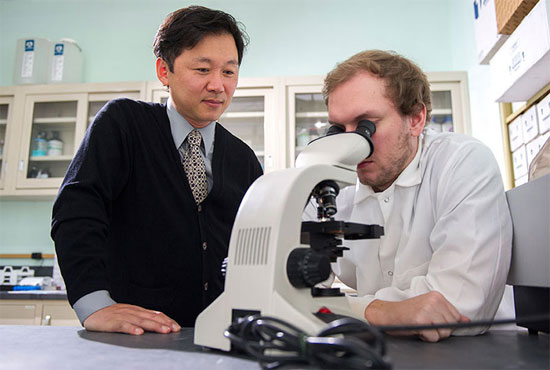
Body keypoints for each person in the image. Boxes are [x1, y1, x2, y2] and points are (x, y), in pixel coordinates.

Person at [51, 6, 263, 335]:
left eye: (229, 72)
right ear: (165, 71)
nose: (218, 85)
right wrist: (94, 304)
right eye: (203, 69)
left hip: (221, 338)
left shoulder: (243, 158)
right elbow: (76, 211)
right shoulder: (123, 124)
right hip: (135, 339)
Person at [306, 50, 512, 342]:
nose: (351, 146)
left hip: (480, 352)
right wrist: (381, 312)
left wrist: (352, 308)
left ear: (415, 119)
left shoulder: (462, 162)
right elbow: (287, 295)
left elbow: (461, 305)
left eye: (366, 125)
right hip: (384, 348)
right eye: (340, 129)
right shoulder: (331, 191)